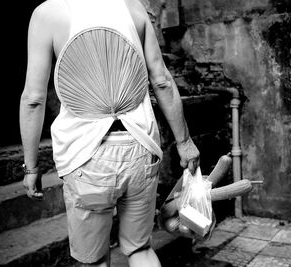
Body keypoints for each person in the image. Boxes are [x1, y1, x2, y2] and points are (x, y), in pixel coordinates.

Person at [19, 0, 200, 266]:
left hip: (86, 156)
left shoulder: (48, 13)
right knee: (140, 249)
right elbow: (160, 79)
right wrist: (185, 142)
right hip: (140, 147)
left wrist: (31, 167)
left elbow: (33, 99)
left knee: (93, 260)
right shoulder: (133, 7)